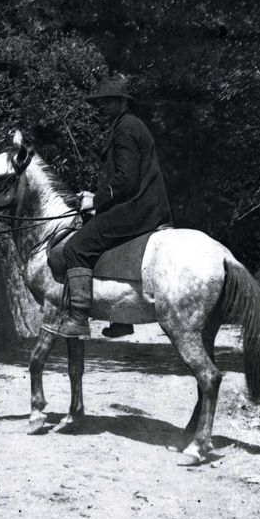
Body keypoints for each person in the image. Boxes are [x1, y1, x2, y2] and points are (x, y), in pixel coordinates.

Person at [54, 76, 172, 338]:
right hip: (145, 204)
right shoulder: (128, 125)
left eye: (108, 101)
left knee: (75, 247)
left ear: (122, 102)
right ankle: (120, 317)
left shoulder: (125, 129)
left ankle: (78, 319)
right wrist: (94, 196)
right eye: (100, 102)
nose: (102, 107)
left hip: (137, 207)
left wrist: (96, 201)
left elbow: (126, 180)